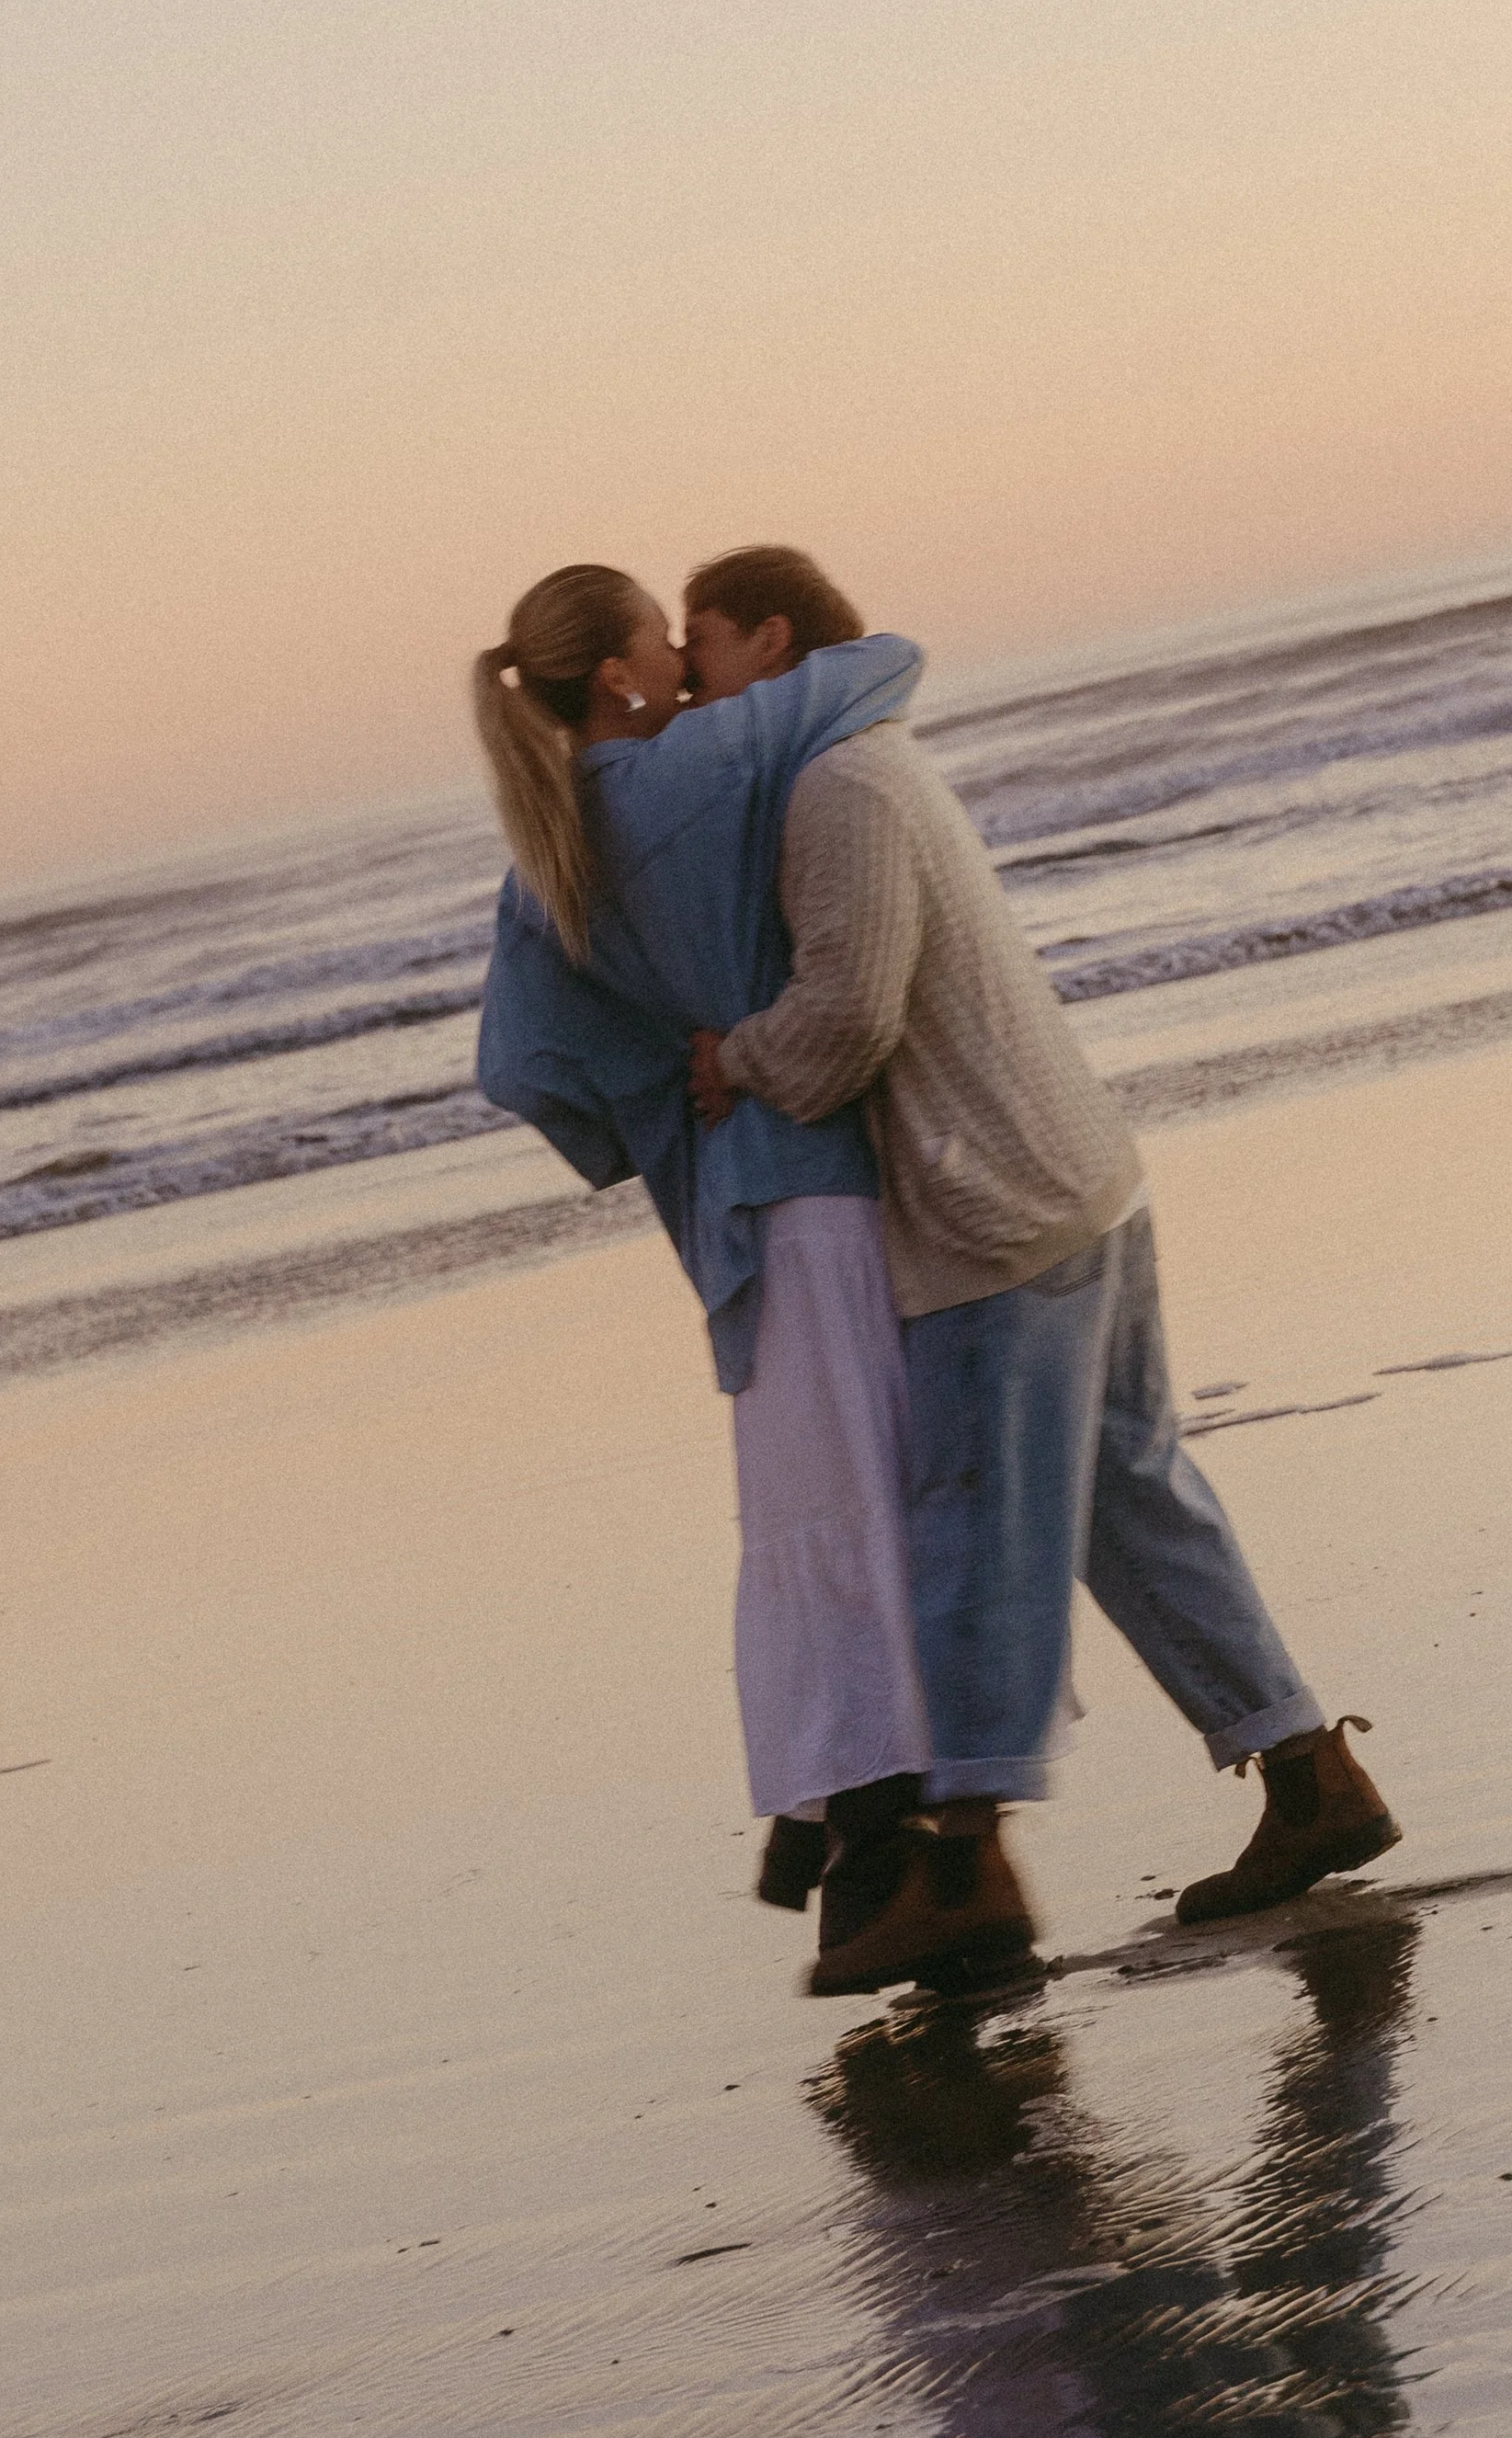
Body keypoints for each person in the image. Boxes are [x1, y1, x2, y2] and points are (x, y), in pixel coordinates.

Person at [682, 548, 1402, 1995]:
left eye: (703, 657)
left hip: (995, 1206)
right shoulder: (873, 761)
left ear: (771, 635)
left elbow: (847, 1020)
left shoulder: (840, 785)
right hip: (1078, 1175)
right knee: (1132, 1495)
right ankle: (1309, 1769)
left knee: (982, 1531)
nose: (697, 692)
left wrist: (729, 1060)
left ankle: (964, 1861)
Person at [471, 563, 953, 1944]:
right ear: (614, 675)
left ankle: (821, 1816)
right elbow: (881, 665)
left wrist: (661, 1103)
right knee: (866, 1492)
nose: (684, 655)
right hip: (816, 1164)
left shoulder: (549, 844)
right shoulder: (701, 766)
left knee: (803, 1497)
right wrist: (739, 1045)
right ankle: (867, 1829)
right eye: (658, 639)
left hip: (725, 1198)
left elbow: (525, 1067)